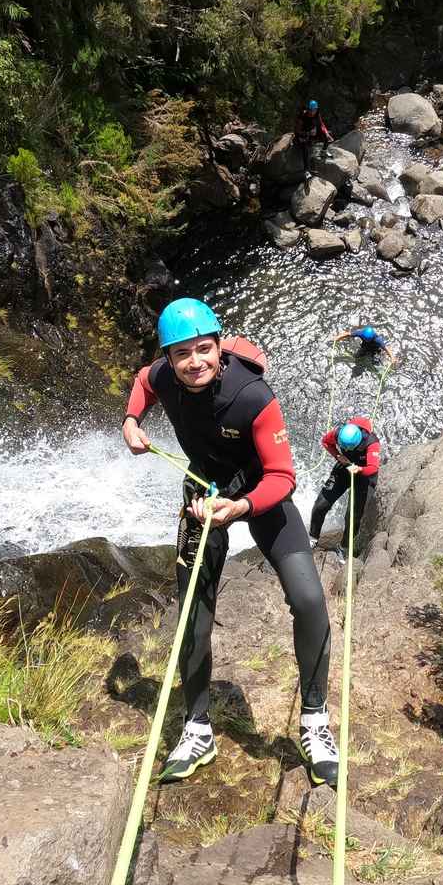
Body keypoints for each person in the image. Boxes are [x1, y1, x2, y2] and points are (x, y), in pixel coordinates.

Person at [122, 298, 340, 788]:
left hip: (259, 495)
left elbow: (284, 476)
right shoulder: (162, 377)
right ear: (169, 359)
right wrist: (132, 420)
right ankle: (197, 727)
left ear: (220, 347)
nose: (194, 361)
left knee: (309, 600)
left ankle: (314, 720)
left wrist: (241, 507)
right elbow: (141, 381)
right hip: (203, 494)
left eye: (204, 349)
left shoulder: (251, 396)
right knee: (192, 613)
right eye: (182, 354)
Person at [310, 417, 381, 559]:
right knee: (321, 504)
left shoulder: (372, 443)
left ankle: (343, 547)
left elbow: (373, 468)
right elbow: (326, 441)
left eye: (349, 448)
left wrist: (358, 469)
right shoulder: (338, 433)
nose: (346, 449)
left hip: (364, 475)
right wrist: (338, 456)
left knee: (353, 516)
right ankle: (312, 537)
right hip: (345, 467)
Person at [332, 325, 399, 366]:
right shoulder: (360, 333)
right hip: (365, 345)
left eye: (368, 339)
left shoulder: (378, 340)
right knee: (357, 357)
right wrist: (337, 337)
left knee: (374, 360)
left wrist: (392, 358)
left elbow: (386, 348)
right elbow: (348, 334)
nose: (367, 340)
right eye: (365, 339)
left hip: (375, 348)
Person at [293, 99, 333, 168]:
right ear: (307, 109)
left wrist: (326, 133)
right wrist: (308, 133)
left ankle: (323, 151)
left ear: (316, 109)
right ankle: (306, 170)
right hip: (303, 135)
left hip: (312, 133)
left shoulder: (317, 114)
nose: (312, 112)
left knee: (329, 134)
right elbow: (297, 131)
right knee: (305, 148)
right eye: (310, 110)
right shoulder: (302, 116)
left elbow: (321, 124)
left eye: (314, 110)